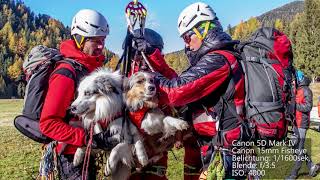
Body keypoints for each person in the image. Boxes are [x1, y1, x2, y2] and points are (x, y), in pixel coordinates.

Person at [133, 2, 245, 179]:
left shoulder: (217, 60)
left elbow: (175, 91)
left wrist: (148, 74)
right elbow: (179, 83)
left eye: (187, 38)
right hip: (222, 147)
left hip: (227, 152)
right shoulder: (217, 57)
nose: (186, 45)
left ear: (203, 29)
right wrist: (153, 57)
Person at [39, 9, 118, 179]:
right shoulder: (66, 73)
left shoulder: (90, 69)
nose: (101, 46)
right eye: (95, 41)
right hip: (71, 155)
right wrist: (89, 139)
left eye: (103, 40)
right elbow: (48, 123)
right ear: (80, 39)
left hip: (88, 150)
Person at [286, 71, 319, 179]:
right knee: (295, 147)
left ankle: (294, 174)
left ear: (299, 79)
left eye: (294, 80)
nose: (293, 82)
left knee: (298, 150)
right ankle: (312, 166)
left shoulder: (306, 90)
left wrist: (295, 106)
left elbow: (308, 107)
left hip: (302, 124)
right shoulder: (297, 90)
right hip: (296, 123)